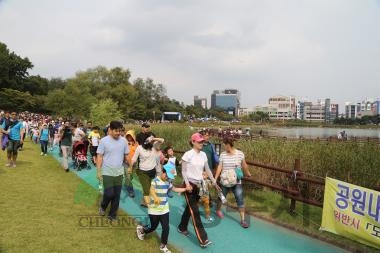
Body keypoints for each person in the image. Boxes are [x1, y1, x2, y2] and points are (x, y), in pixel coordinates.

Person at [177, 133, 220, 248]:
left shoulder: (204, 155)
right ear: (193, 142)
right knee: (195, 212)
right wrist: (186, 184)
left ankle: (182, 227)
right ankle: (203, 239)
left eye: (202, 141)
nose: (201, 143)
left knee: (189, 209)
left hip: (199, 186)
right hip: (189, 187)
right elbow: (183, 171)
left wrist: (214, 182)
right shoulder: (187, 155)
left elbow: (208, 170)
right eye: (199, 141)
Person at [136, 164, 187, 253]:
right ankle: (142, 229)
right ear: (163, 172)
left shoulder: (168, 182)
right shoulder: (155, 181)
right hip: (154, 210)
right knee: (153, 227)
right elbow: (151, 190)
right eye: (167, 176)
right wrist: (155, 197)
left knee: (166, 227)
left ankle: (163, 245)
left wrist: (185, 189)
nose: (168, 178)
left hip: (164, 209)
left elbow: (174, 189)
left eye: (169, 177)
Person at [215, 137, 252, 228]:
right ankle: (218, 210)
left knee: (240, 199)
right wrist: (215, 178)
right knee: (221, 197)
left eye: (225, 145)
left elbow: (244, 165)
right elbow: (220, 166)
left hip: (236, 181)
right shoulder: (223, 155)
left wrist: (248, 173)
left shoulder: (240, 154)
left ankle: (243, 220)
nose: (224, 147)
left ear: (228, 145)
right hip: (225, 180)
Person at [97, 121, 129, 222]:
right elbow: (100, 156)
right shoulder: (103, 141)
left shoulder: (124, 141)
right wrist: (98, 171)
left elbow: (126, 155)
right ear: (110, 130)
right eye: (116, 131)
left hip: (119, 172)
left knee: (117, 195)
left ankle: (112, 215)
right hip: (107, 171)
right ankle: (103, 206)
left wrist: (131, 165)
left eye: (120, 131)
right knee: (109, 194)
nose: (118, 133)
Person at [131, 135, 164, 207]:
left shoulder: (154, 147)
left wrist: (153, 139)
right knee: (146, 189)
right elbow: (134, 158)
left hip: (152, 171)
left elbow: (162, 140)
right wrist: (130, 166)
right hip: (143, 172)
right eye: (150, 142)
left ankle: (143, 201)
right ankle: (149, 205)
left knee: (150, 187)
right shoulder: (139, 148)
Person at [125, 130, 138, 198]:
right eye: (127, 136)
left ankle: (126, 183)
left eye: (130, 136)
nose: (129, 137)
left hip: (134, 163)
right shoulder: (124, 143)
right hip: (126, 163)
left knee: (131, 177)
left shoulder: (136, 144)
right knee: (128, 177)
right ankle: (131, 191)